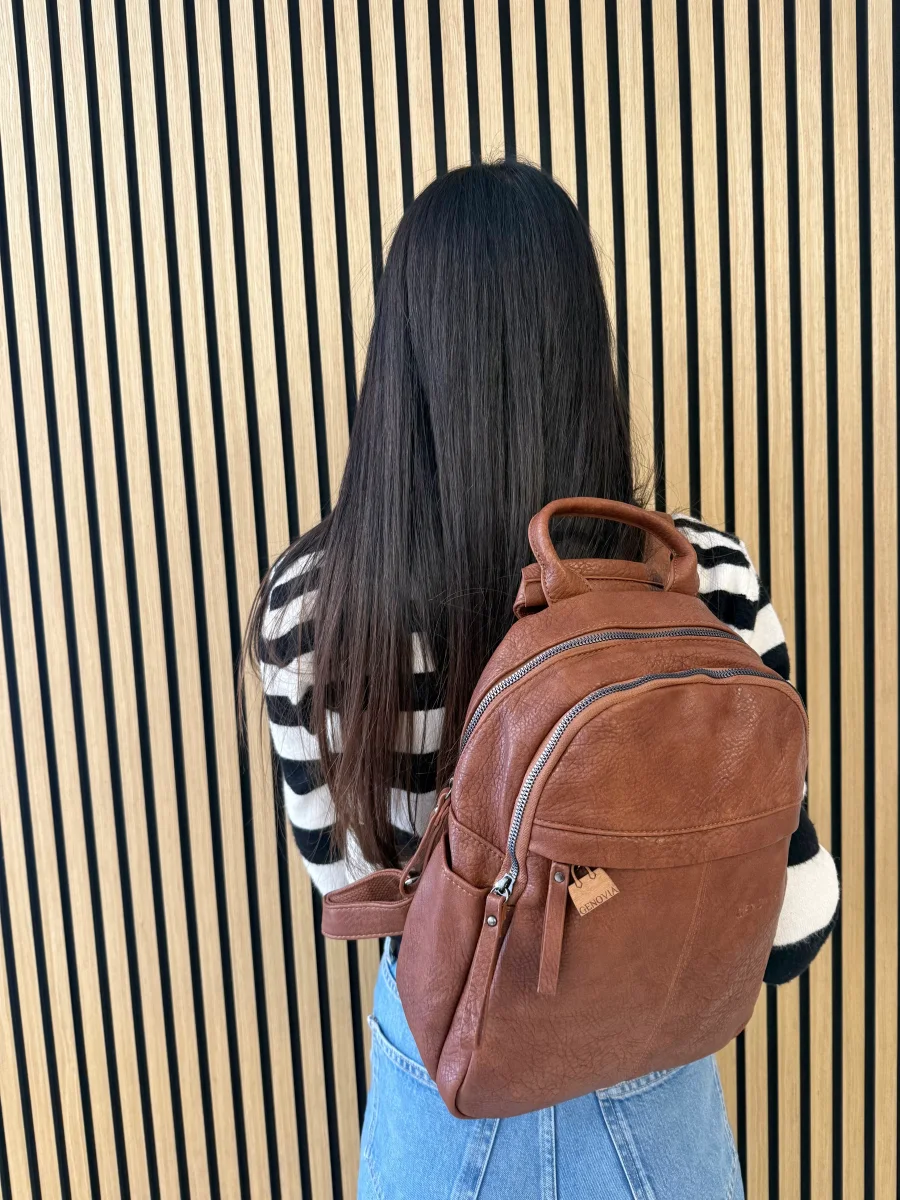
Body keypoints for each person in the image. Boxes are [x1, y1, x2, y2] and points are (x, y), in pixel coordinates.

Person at [243, 162, 838, 1200]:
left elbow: (347, 891)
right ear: (584, 351)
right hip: (653, 1089)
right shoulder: (703, 579)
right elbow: (794, 919)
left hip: (438, 1087)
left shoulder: (310, 608)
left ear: (399, 358)